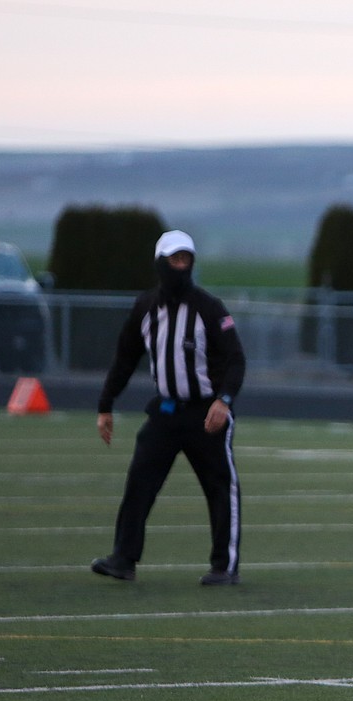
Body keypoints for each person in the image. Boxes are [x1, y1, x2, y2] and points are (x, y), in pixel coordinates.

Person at [91, 230, 246, 586]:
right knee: (139, 482)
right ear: (161, 263)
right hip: (165, 411)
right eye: (174, 259)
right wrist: (105, 404)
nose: (181, 266)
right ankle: (123, 559)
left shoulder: (209, 308)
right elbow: (125, 358)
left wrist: (224, 401)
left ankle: (225, 565)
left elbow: (236, 359)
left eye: (186, 259)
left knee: (221, 487)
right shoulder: (146, 307)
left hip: (206, 413)